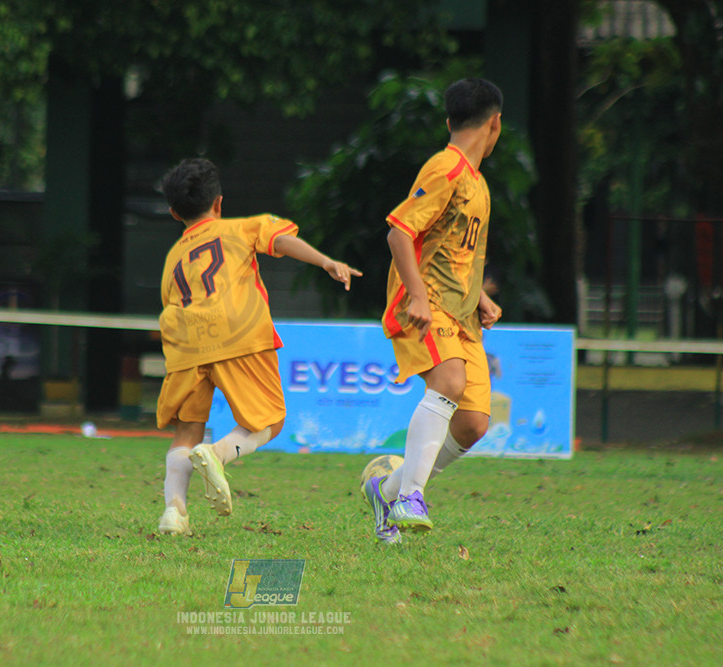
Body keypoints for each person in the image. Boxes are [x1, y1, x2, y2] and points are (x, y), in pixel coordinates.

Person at [155, 158, 361, 536]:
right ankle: (216, 455)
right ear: (219, 203)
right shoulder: (242, 227)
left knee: (187, 429)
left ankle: (174, 512)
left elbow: (169, 303)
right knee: (269, 420)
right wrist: (326, 261)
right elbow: (280, 240)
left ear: (173, 213)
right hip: (238, 333)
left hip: (186, 343)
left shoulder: (172, 257)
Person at [364, 78, 504, 544]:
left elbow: (453, 250)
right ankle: (410, 497)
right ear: (495, 124)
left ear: (450, 121)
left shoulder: (477, 183)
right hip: (427, 307)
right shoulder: (445, 168)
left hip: (462, 315)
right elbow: (399, 233)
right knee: (448, 381)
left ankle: (387, 490)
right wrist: (419, 296)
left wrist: (479, 297)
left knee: (473, 424)